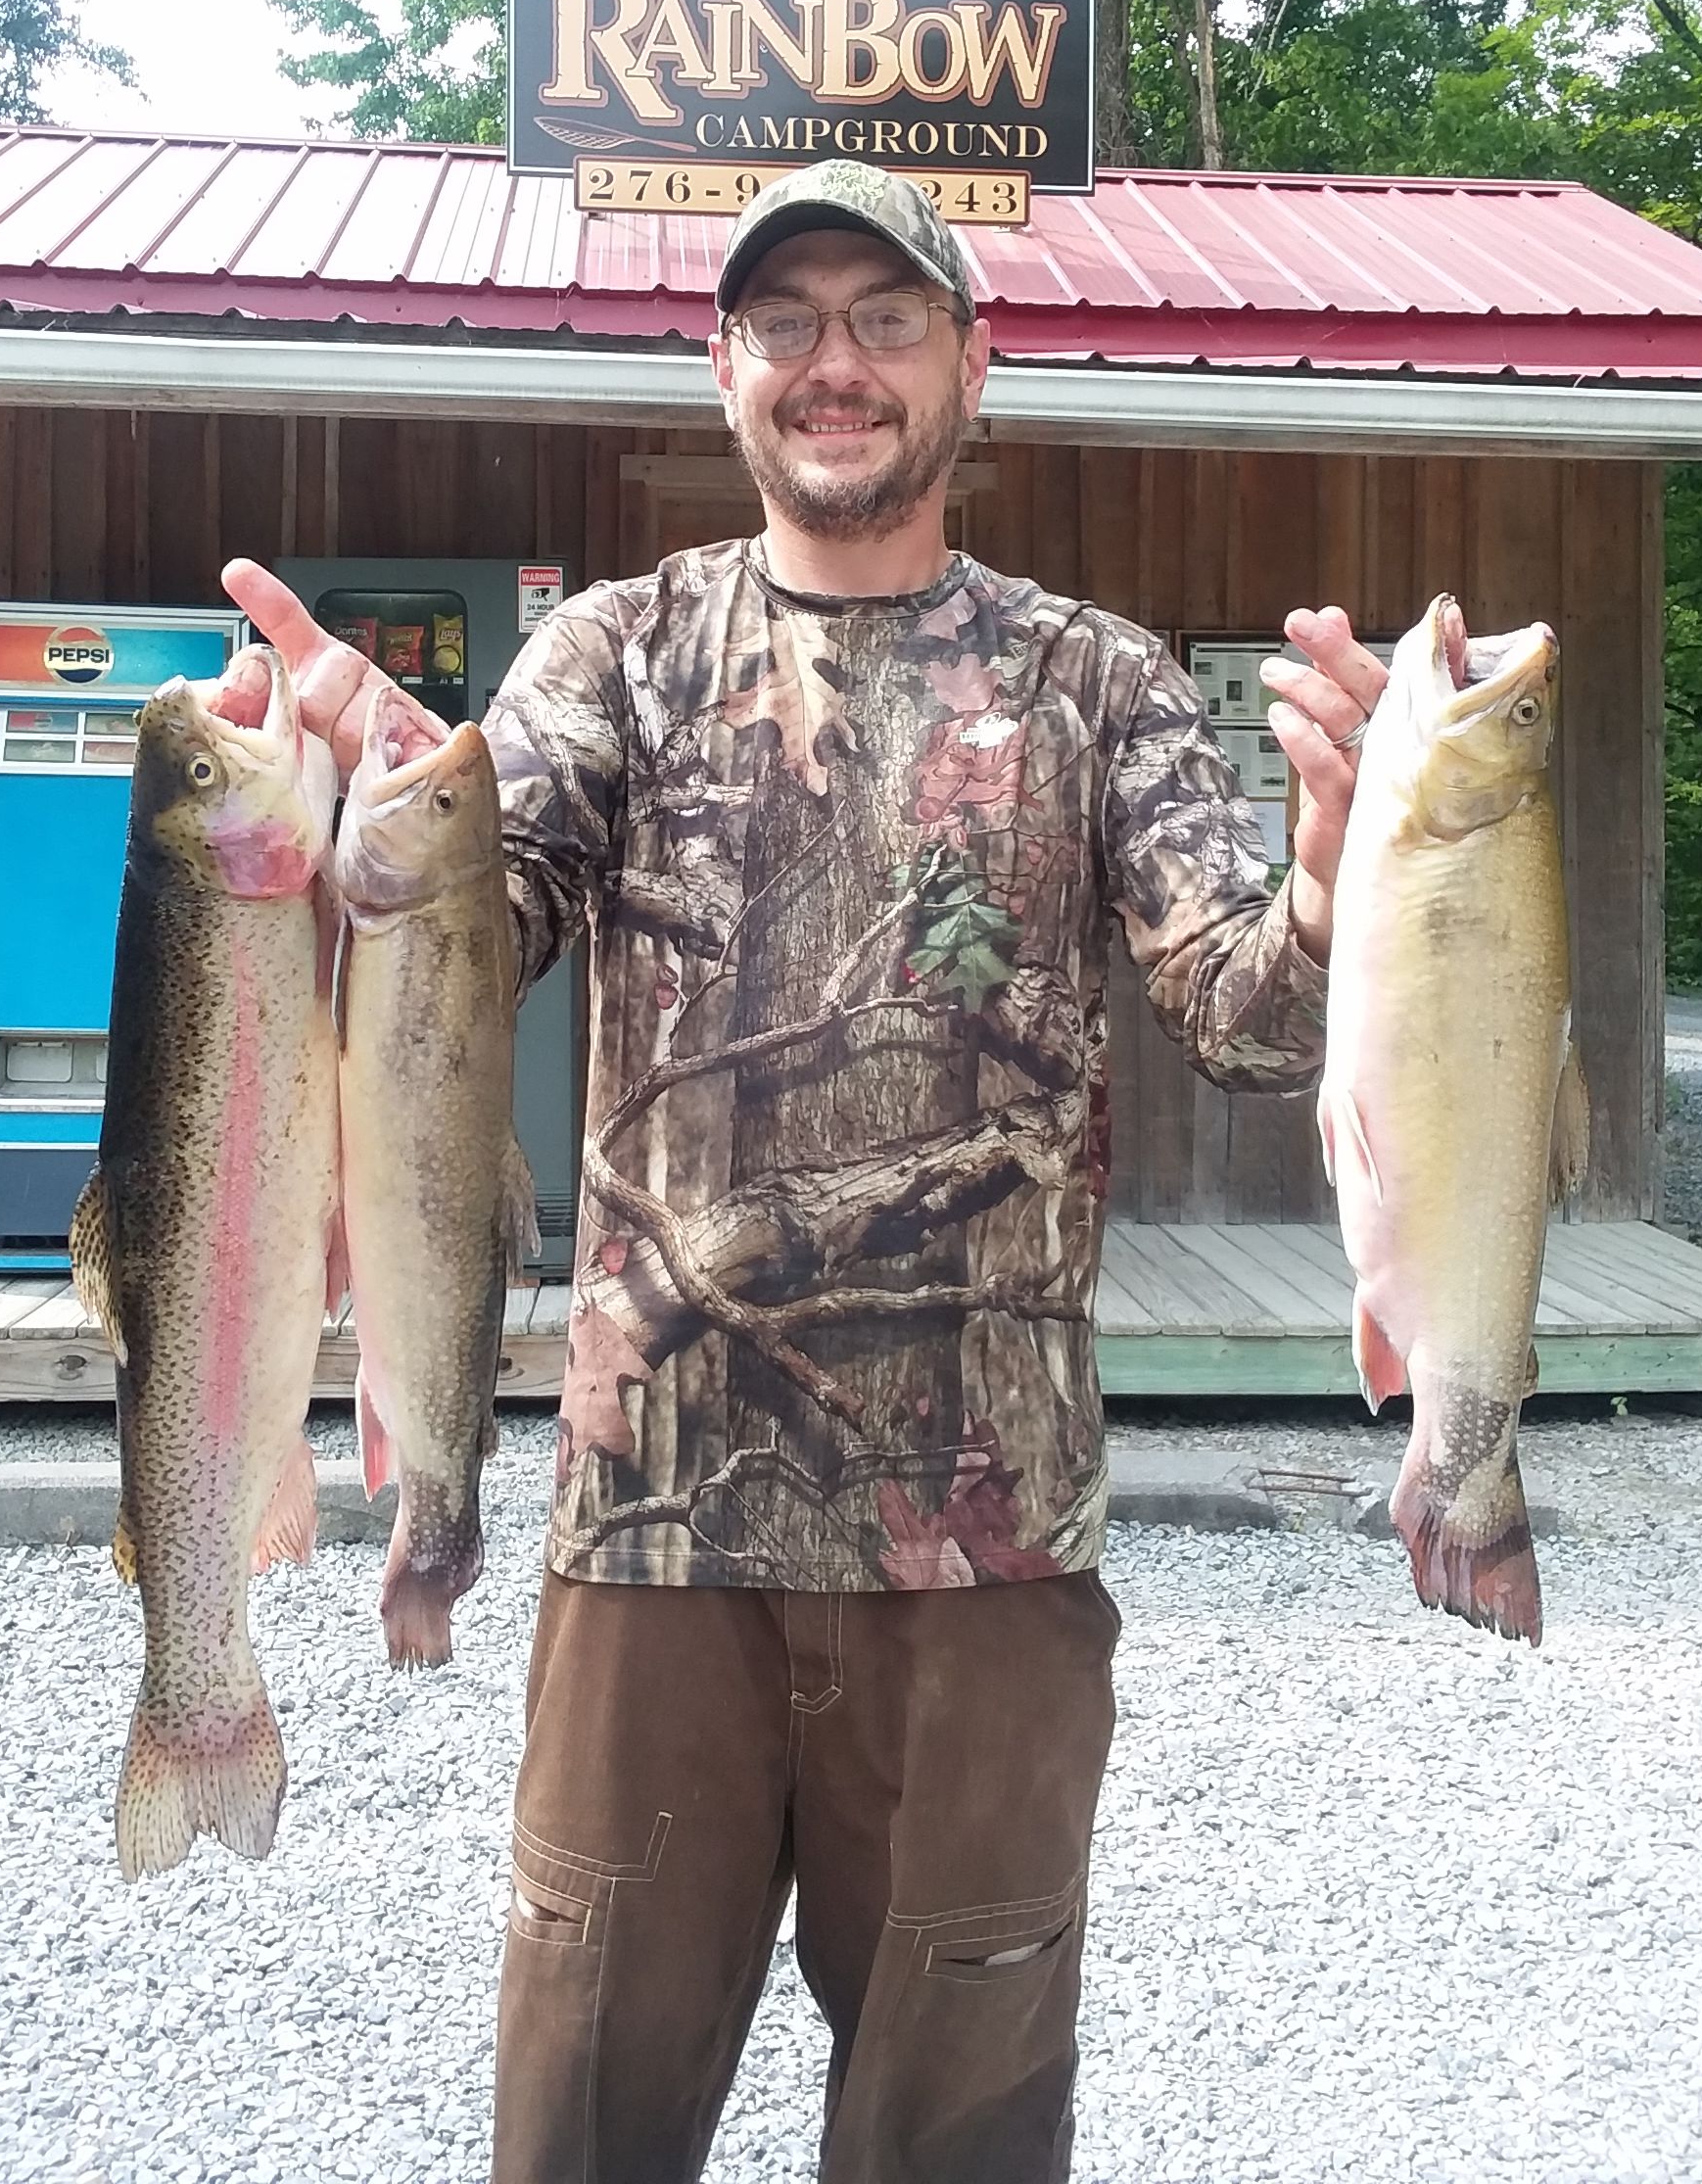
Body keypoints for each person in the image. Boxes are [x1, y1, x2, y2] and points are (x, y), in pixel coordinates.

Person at [223, 159, 1388, 2184]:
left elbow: (1250, 1020)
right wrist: (385, 804)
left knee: (959, 2131)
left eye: (885, 318)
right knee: (579, 2116)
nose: (833, 364)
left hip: (989, 1546)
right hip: (650, 1526)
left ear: (972, 364)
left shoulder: (1098, 680)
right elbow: (482, 935)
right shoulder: (615, 652)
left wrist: (1336, 876)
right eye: (786, 323)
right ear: (724, 369)